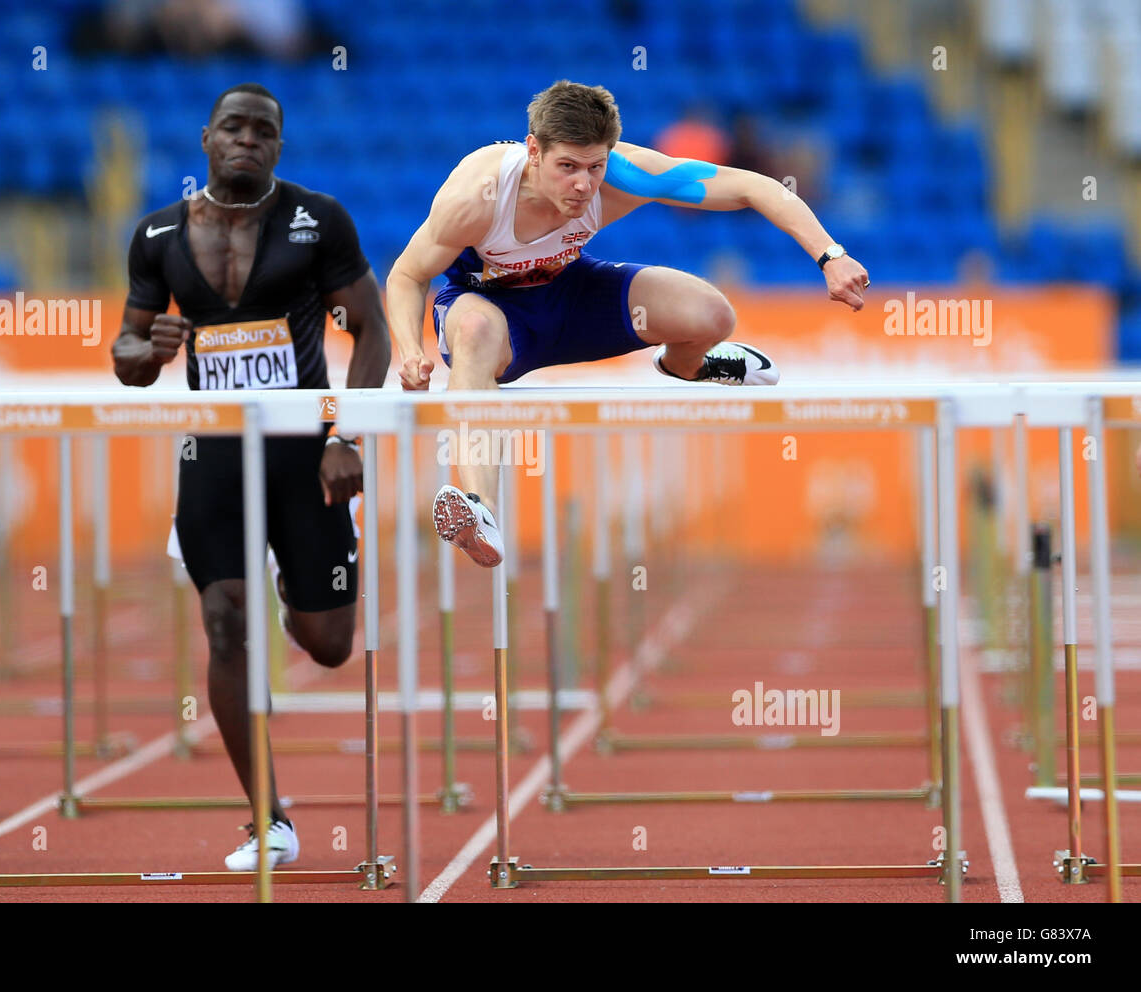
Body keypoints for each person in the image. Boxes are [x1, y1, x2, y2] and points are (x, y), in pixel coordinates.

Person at [386, 80, 870, 567]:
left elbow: (749, 186)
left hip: (569, 294)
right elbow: (407, 275)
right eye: (567, 167)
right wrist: (410, 351)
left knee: (712, 313)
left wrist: (830, 255)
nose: (582, 185)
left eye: (595, 167)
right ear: (533, 151)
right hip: (490, 311)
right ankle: (482, 510)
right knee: (473, 333)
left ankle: (687, 365)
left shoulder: (625, 172)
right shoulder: (478, 195)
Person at [111, 82, 391, 869]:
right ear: (206, 139)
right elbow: (125, 360)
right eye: (233, 126)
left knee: (329, 644)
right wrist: (150, 351)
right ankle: (270, 818)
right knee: (225, 625)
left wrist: (346, 433)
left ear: (279, 145)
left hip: (306, 448)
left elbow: (372, 330)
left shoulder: (318, 221)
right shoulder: (158, 235)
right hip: (215, 451)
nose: (247, 139)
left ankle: (290, 585)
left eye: (263, 130)